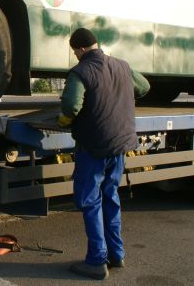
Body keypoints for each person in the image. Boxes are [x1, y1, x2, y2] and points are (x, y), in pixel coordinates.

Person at [57, 28, 150, 280]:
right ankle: (116, 254)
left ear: (81, 49)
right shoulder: (121, 65)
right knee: (110, 196)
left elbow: (71, 105)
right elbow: (143, 87)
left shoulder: (81, 71)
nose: (75, 55)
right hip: (119, 146)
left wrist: (64, 120)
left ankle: (97, 261)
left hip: (94, 147)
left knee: (89, 201)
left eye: (75, 51)